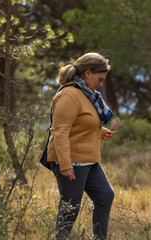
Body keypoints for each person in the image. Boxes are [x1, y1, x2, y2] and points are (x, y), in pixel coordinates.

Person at [47, 52, 115, 239]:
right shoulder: (69, 95)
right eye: (99, 79)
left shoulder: (86, 93)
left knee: (105, 196)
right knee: (71, 207)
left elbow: (82, 122)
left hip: (88, 159)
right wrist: (66, 165)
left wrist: (100, 132)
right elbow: (60, 131)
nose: (100, 84)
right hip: (72, 161)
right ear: (87, 73)